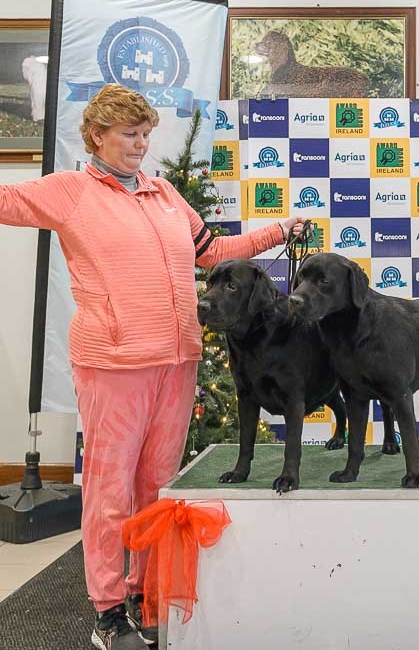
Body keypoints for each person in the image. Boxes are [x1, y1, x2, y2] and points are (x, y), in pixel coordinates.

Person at [0, 83, 308, 650]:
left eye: (145, 134)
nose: (140, 144)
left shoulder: (163, 192)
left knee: (156, 487)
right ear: (97, 136)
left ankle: (145, 595)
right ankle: (107, 612)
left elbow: (212, 252)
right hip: (113, 363)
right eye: (129, 134)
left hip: (177, 360)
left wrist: (278, 230)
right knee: (108, 492)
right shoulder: (70, 191)